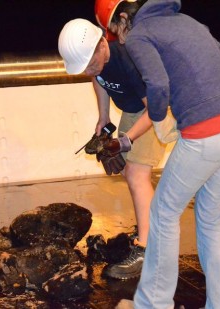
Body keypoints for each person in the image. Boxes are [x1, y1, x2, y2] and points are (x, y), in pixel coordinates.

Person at [96, 0, 220, 308]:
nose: (120, 39)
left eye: (115, 31)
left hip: (208, 134)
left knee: (163, 214)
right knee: (211, 216)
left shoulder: (142, 34)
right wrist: (212, 101)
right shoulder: (189, 22)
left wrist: (160, 119)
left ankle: (152, 304)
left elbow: (157, 85)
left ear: (124, 20)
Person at [58, 17, 168, 280]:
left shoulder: (128, 61)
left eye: (89, 64)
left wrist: (125, 141)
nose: (87, 71)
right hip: (134, 111)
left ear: (101, 46)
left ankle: (148, 248)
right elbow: (98, 80)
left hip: (159, 111)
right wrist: (103, 117)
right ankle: (148, 229)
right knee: (126, 171)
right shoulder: (97, 64)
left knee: (136, 174)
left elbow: (156, 109)